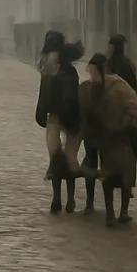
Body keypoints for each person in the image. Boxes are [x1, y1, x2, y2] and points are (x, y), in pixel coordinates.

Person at [79, 53, 137, 227]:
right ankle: (116, 213)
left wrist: (125, 123)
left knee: (117, 174)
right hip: (110, 137)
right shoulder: (91, 88)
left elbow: (133, 107)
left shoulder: (115, 86)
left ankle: (117, 213)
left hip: (115, 136)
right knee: (117, 173)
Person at [34, 40, 84, 213]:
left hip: (70, 119)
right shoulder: (49, 73)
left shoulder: (69, 74)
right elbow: (43, 96)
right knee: (55, 157)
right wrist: (41, 115)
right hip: (55, 117)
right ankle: (56, 197)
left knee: (69, 159)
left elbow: (70, 99)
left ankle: (70, 198)